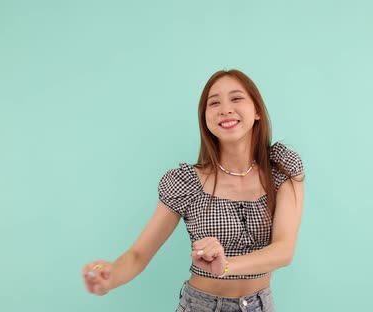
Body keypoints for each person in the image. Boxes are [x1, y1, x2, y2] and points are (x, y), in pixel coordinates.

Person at [81, 69, 304, 311]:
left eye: (236, 98)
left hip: (261, 305)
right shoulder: (186, 183)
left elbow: (284, 250)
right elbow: (138, 255)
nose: (225, 109)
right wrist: (110, 277)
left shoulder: (281, 168)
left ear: (257, 111)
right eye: (214, 102)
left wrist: (225, 265)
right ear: (205, 118)